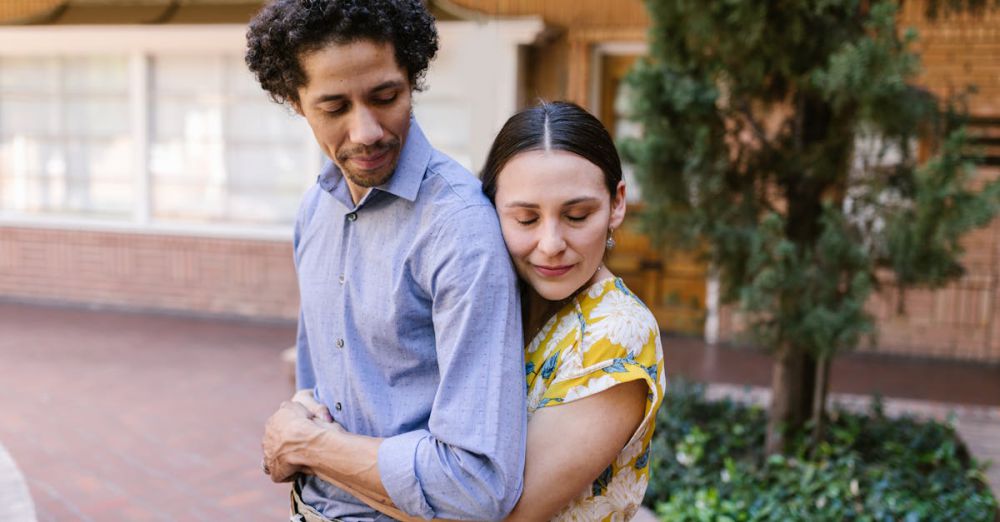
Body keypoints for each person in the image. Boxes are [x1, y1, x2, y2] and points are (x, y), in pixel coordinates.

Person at [246, 1, 527, 520]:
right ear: (295, 101)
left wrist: (307, 446)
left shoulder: (459, 230)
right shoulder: (315, 210)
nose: (367, 131)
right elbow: (317, 386)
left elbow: (478, 485)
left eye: (386, 96)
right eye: (334, 108)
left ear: (412, 78)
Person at [481, 101, 666, 520]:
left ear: (616, 204)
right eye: (526, 219)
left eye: (577, 215)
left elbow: (501, 515)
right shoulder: (497, 298)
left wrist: (329, 456)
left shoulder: (616, 333)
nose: (550, 243)